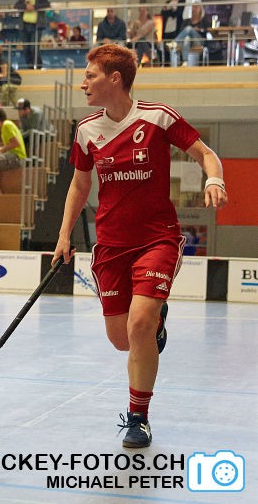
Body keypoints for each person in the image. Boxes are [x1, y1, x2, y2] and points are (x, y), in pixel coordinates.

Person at [52, 44, 228, 448]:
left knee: (139, 323)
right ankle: (156, 322)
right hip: (111, 245)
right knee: (121, 338)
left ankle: (138, 416)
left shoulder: (158, 117)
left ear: (115, 79)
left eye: (90, 75)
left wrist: (214, 179)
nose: (83, 83)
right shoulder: (86, 131)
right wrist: (64, 236)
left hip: (157, 239)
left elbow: (205, 154)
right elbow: (80, 186)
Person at [14, 0, 51, 69]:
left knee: (34, 47)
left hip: (36, 25)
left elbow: (46, 4)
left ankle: (38, 66)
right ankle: (29, 67)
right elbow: (16, 5)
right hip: (24, 25)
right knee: (26, 48)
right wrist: (25, 6)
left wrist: (34, 7)